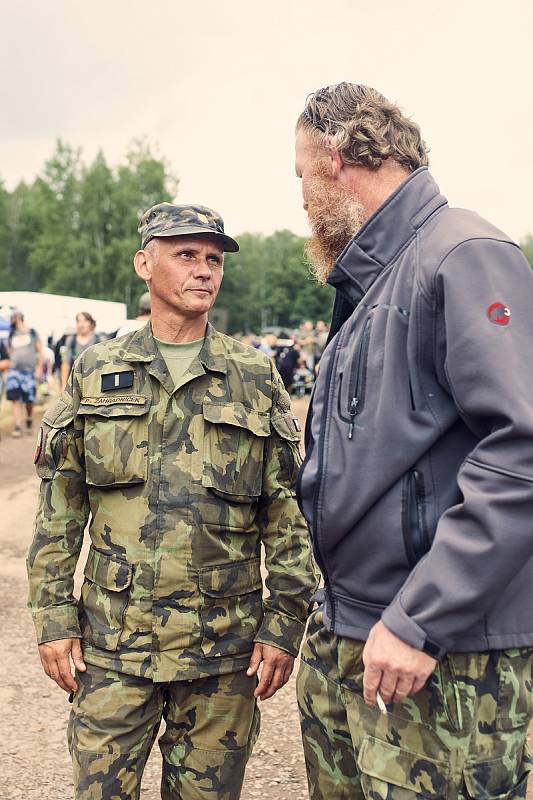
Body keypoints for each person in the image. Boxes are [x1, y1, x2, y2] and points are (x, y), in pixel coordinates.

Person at [27, 202, 317, 800]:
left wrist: (284, 623)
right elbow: (60, 508)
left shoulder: (254, 375)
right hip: (112, 647)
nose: (204, 270)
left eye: (213, 259)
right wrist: (53, 618)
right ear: (144, 264)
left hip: (222, 651)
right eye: (187, 255)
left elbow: (288, 512)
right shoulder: (96, 370)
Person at [294, 82, 533, 799]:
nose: (301, 196)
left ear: (337, 161)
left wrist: (418, 618)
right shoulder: (374, 277)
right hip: (360, 631)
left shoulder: (461, 253)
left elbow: (519, 451)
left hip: (439, 651)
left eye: (301, 174)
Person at [5, 310, 43, 437]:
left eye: (13, 317)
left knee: (29, 400)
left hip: (29, 372)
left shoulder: (32, 332)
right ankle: (17, 427)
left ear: (19, 318)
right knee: (15, 398)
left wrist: (39, 369)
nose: (11, 320)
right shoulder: (11, 334)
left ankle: (29, 418)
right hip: (14, 371)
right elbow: (9, 352)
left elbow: (40, 351)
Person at [60, 312, 101, 390]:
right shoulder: (71, 340)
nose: (81, 324)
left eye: (85, 321)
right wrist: (63, 385)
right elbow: (65, 363)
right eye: (78, 321)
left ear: (90, 323)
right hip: (75, 384)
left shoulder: (98, 340)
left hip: (95, 384)